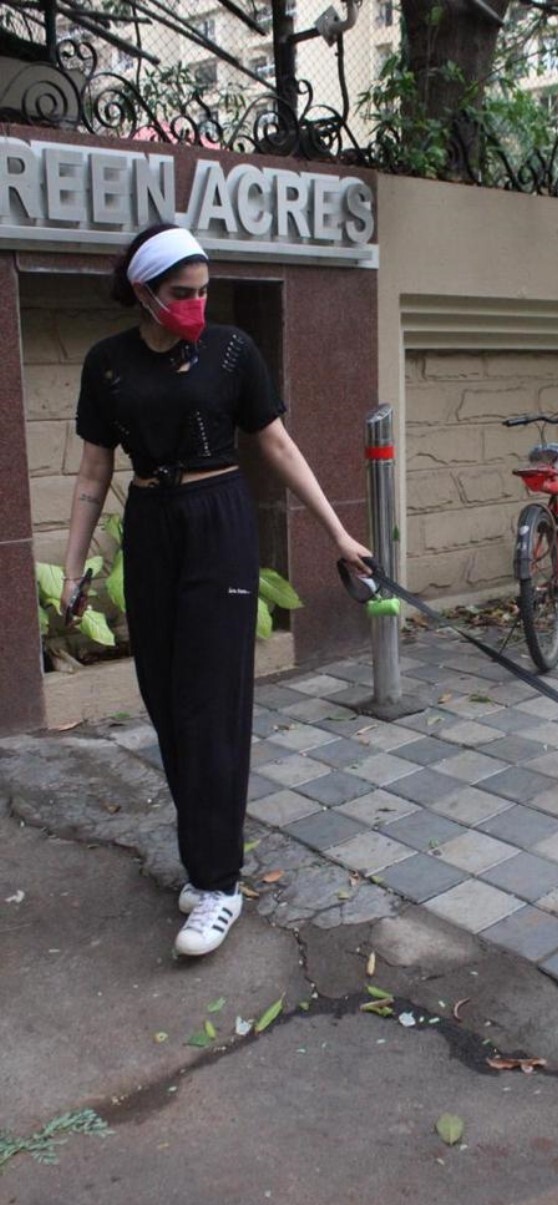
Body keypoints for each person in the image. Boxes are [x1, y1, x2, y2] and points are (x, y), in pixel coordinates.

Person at [61, 223, 370, 958]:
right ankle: (204, 863)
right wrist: (73, 571)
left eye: (204, 291)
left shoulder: (233, 352)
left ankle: (220, 883)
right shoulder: (107, 364)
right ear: (143, 291)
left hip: (219, 521)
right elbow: (93, 475)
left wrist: (337, 534)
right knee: (166, 699)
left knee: (212, 705)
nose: (196, 304)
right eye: (182, 292)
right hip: (151, 525)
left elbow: (278, 444)